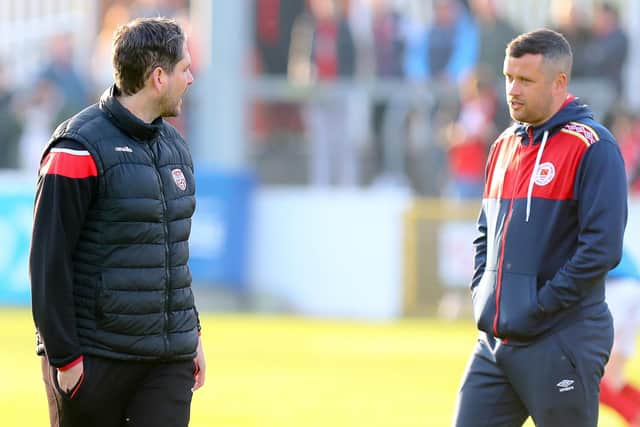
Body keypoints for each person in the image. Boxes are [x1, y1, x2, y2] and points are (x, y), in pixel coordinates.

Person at [29, 17, 205, 427]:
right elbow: (48, 263)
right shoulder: (76, 147)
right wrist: (65, 358)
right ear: (158, 77)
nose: (192, 78)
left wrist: (191, 334)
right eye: (185, 69)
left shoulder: (176, 147)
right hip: (95, 361)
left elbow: (173, 255)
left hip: (167, 362)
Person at [452, 28, 627, 426]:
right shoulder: (503, 146)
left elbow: (601, 250)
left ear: (559, 83)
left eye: (526, 80)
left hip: (560, 340)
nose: (513, 89)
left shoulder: (593, 147)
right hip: (495, 344)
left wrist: (540, 306)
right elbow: (485, 234)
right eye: (509, 77)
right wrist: (484, 292)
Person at [600, 248, 640, 426]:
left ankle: (632, 417)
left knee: (597, 370)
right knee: (614, 375)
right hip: (633, 285)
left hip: (613, 284)